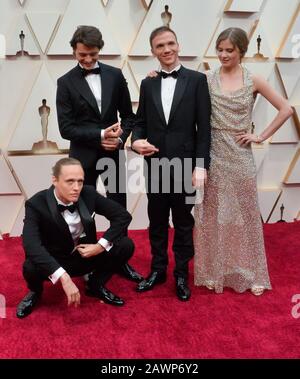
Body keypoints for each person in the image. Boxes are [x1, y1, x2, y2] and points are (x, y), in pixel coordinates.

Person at [194, 27, 293, 296]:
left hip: (240, 155)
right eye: (220, 49)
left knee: (247, 217)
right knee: (212, 217)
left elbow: (287, 109)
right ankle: (214, 272)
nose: (223, 55)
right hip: (213, 153)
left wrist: (260, 135)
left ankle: (255, 272)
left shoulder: (253, 80)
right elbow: (179, 86)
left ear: (241, 52)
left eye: (230, 50)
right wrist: (154, 75)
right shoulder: (206, 78)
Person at [56, 25, 142, 282]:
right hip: (82, 159)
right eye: (83, 54)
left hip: (113, 155)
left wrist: (118, 141)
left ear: (99, 50)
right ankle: (88, 262)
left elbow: (129, 117)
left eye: (93, 54)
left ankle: (120, 259)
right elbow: (65, 128)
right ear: (74, 50)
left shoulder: (115, 75)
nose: (88, 59)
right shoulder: (65, 82)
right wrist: (101, 135)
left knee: (118, 207)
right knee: (84, 212)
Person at [131, 26, 211, 301]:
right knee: (156, 221)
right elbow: (139, 122)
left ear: (178, 44)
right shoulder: (148, 82)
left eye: (170, 44)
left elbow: (204, 128)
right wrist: (135, 141)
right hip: (155, 165)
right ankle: (158, 270)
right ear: (152, 51)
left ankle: (181, 275)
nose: (166, 50)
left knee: (183, 223)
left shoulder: (198, 80)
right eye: (160, 46)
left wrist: (201, 166)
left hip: (186, 167)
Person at [16, 158, 137, 318]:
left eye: (80, 181)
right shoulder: (36, 204)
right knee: (30, 266)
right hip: (56, 260)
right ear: (55, 180)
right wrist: (63, 277)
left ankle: (95, 284)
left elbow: (122, 216)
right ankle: (35, 292)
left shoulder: (88, 193)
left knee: (126, 245)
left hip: (86, 255)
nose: (76, 188)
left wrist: (99, 246)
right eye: (70, 181)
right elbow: (31, 244)